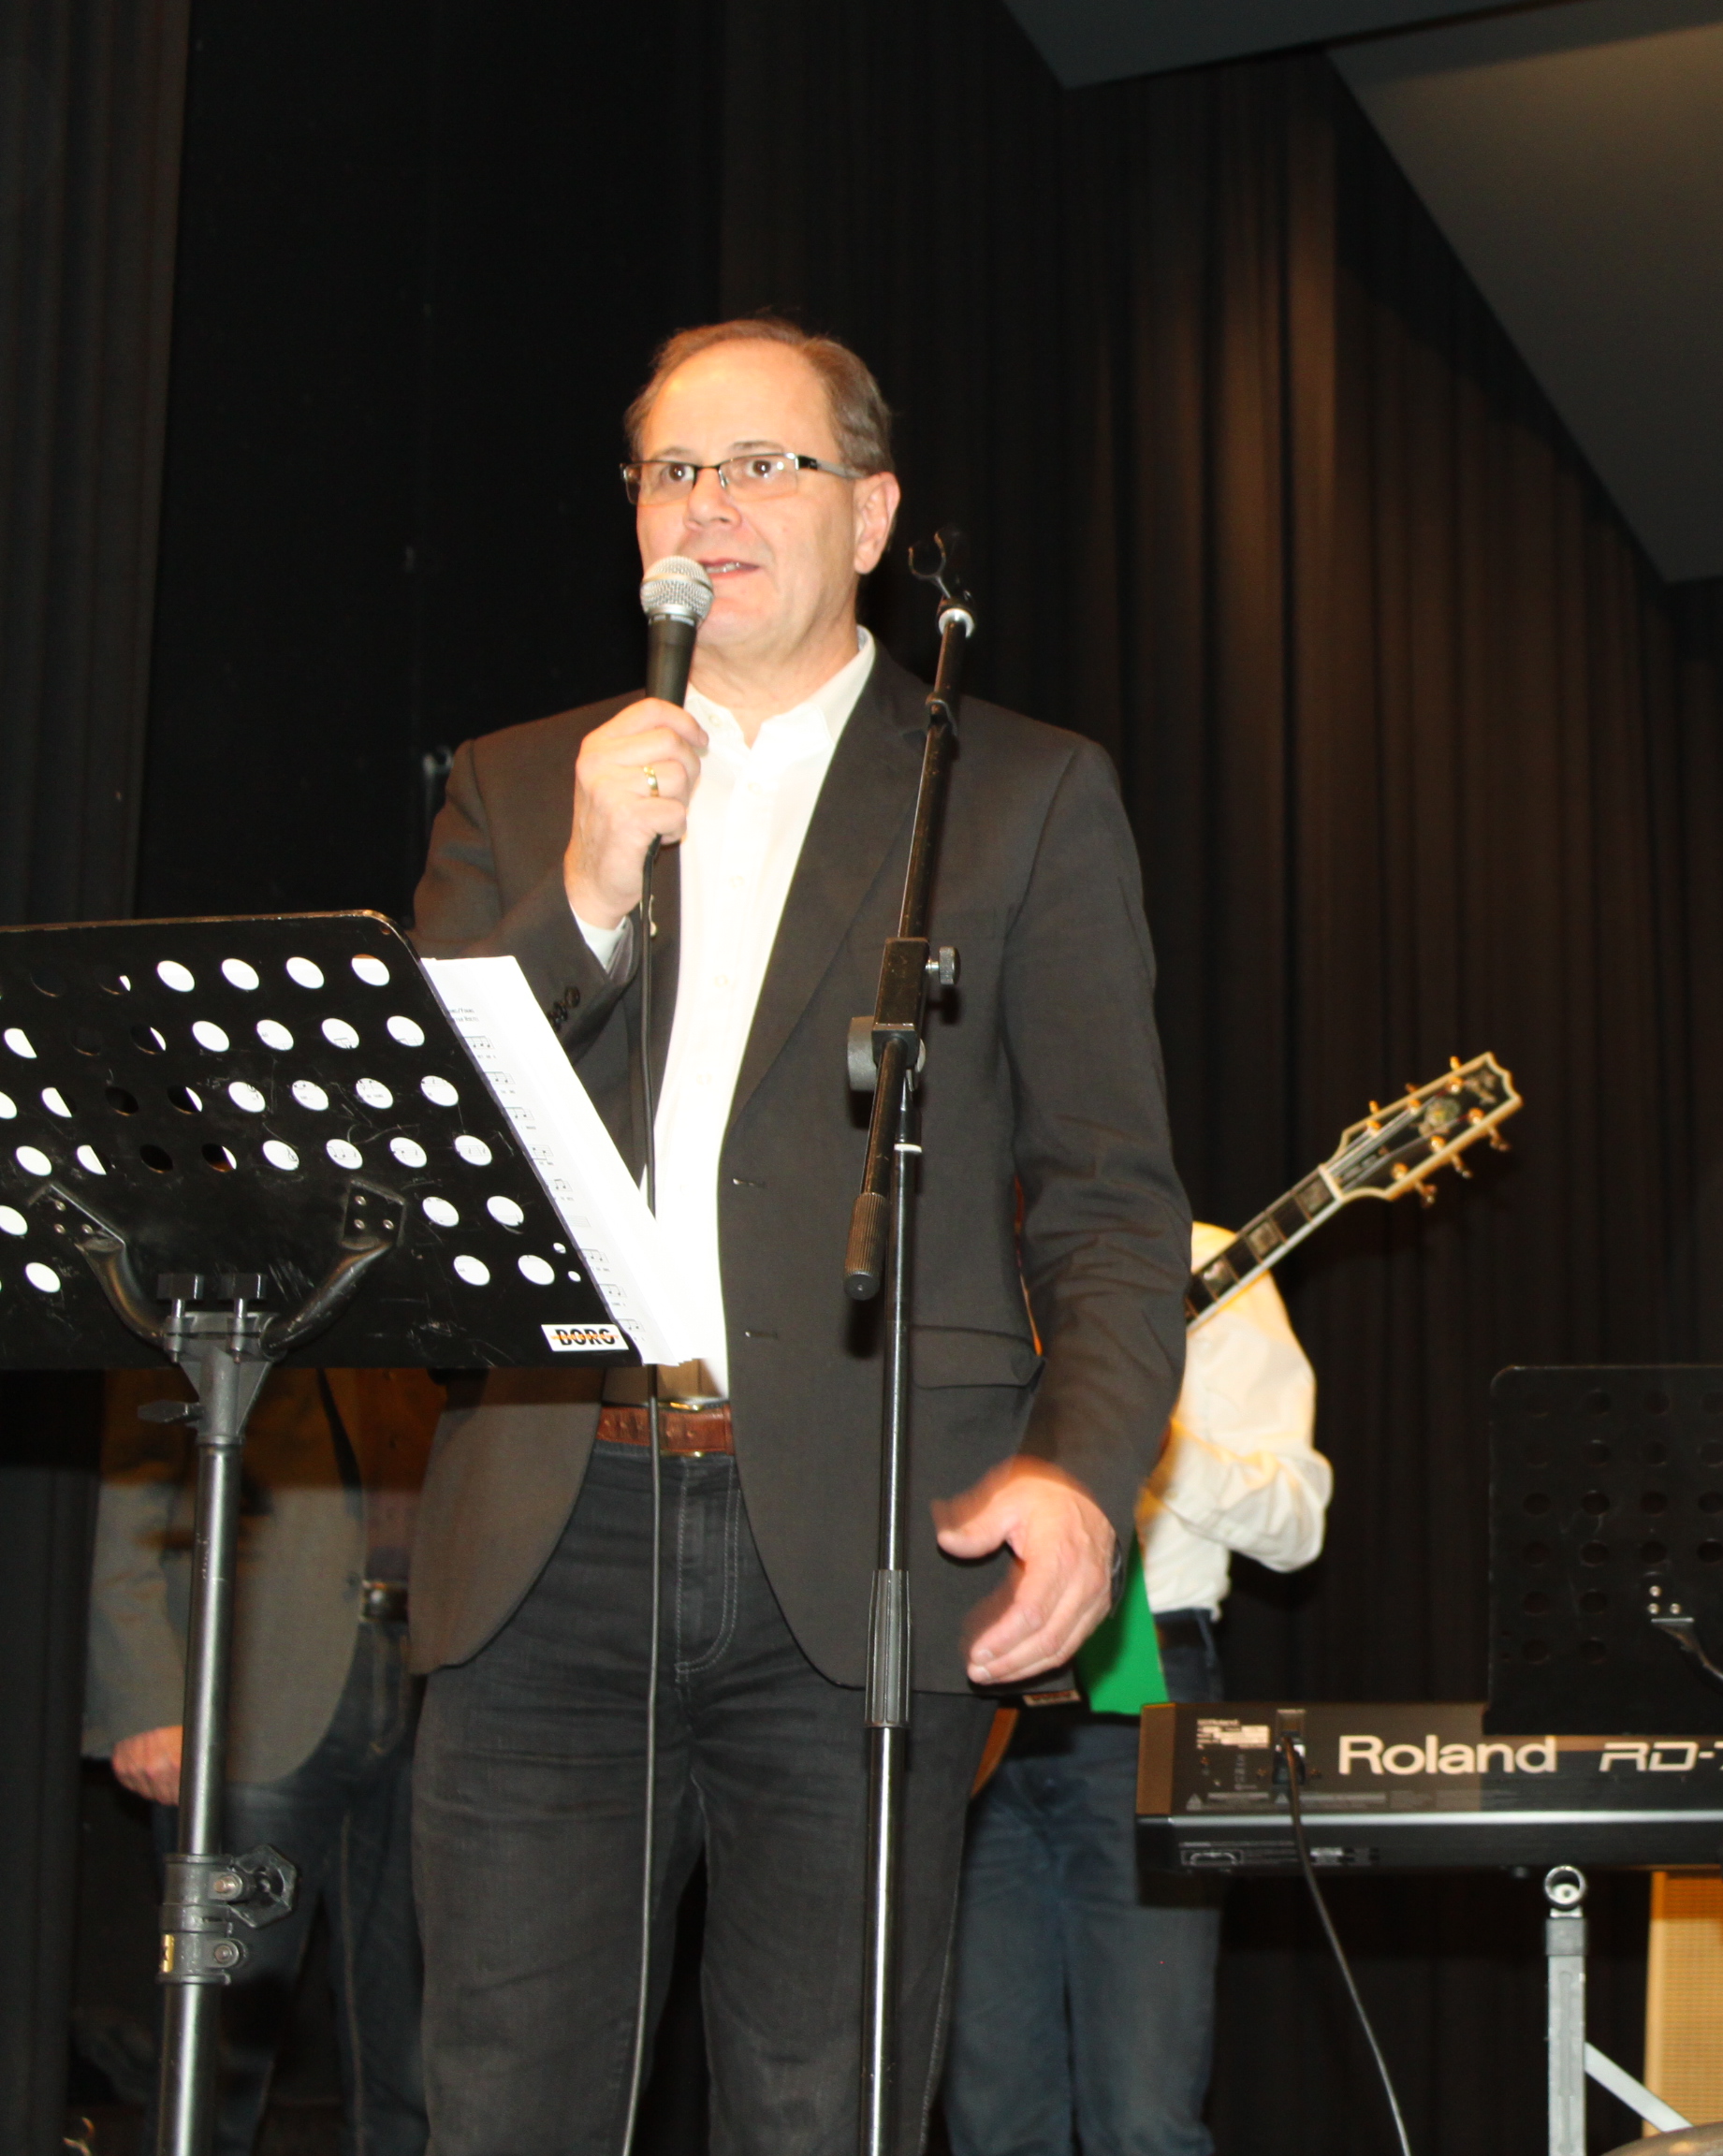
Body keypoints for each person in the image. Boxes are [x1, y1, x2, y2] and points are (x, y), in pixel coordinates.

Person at [405, 316, 1189, 2155]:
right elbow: (431, 1158)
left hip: (868, 1539)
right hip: (549, 1530)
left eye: (764, 465)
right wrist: (583, 892)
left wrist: (1083, 1472)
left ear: (873, 516)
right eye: (674, 470)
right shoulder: (520, 787)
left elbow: (1111, 1197)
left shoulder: (1018, 789)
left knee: (818, 2106)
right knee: (500, 2106)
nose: (711, 505)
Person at [946, 1226, 1326, 2156]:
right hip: (970, 1697)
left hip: (1144, 1692)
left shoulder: (1201, 1259)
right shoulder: (956, 1249)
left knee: (1144, 2120)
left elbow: (1297, 1526)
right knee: (992, 2123)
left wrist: (1144, 1434)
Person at [82, 1367, 443, 2156]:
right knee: (219, 2055)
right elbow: (129, 1472)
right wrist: (144, 1697)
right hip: (256, 1688)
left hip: (423, 1676)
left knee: (415, 2069)